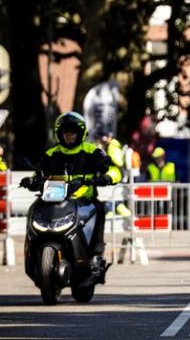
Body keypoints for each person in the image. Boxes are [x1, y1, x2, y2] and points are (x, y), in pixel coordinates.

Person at [20, 112, 121, 278]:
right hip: (53, 201)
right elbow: (39, 174)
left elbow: (113, 169)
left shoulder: (92, 151)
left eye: (73, 133)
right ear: (60, 135)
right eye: (66, 133)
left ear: (80, 134)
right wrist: (31, 181)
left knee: (99, 208)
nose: (69, 136)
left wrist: (107, 177)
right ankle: (32, 254)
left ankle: (95, 254)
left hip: (83, 201)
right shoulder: (51, 154)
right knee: (34, 208)